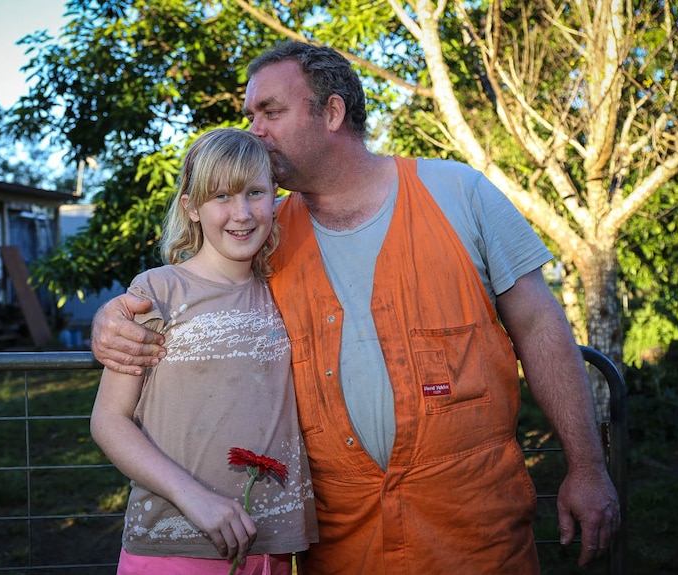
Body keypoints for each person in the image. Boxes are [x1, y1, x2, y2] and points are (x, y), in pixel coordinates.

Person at [90, 42, 620, 574]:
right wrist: (110, 319)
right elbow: (195, 293)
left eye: (270, 112)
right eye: (250, 115)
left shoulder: (457, 193)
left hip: (475, 529)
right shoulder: (265, 233)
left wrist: (587, 465)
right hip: (341, 541)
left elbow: (539, 322)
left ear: (333, 112)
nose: (254, 129)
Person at [90, 127, 318, 575]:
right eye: (220, 197)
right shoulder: (158, 291)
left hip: (271, 549)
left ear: (276, 196)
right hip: (176, 548)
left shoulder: (285, 290)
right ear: (191, 208)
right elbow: (108, 420)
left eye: (255, 192)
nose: (242, 213)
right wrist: (193, 497)